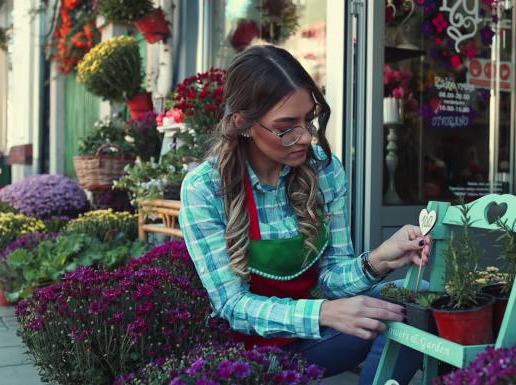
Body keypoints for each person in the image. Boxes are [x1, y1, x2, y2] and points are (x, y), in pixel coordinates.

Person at [179, 45, 432, 385]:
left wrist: (379, 261)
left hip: (313, 341)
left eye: (309, 120)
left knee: (416, 299)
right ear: (242, 123)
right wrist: (323, 312)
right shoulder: (206, 188)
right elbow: (232, 307)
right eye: (286, 127)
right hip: (245, 358)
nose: (305, 137)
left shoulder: (325, 171)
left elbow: (330, 278)